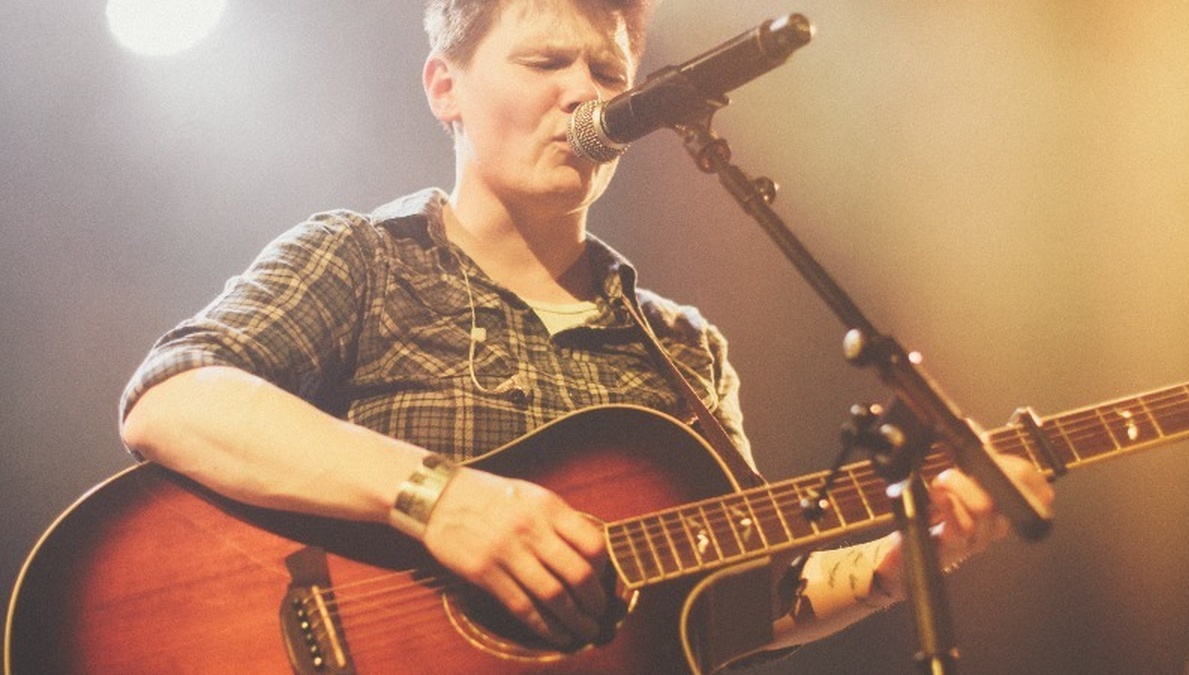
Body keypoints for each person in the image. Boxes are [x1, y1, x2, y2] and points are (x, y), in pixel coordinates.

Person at [119, 0, 1054, 670]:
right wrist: (440, 498)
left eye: (608, 73)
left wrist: (899, 562)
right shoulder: (364, 259)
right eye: (544, 63)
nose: (583, 93)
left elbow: (736, 603)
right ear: (446, 86)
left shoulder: (683, 351)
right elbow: (173, 397)